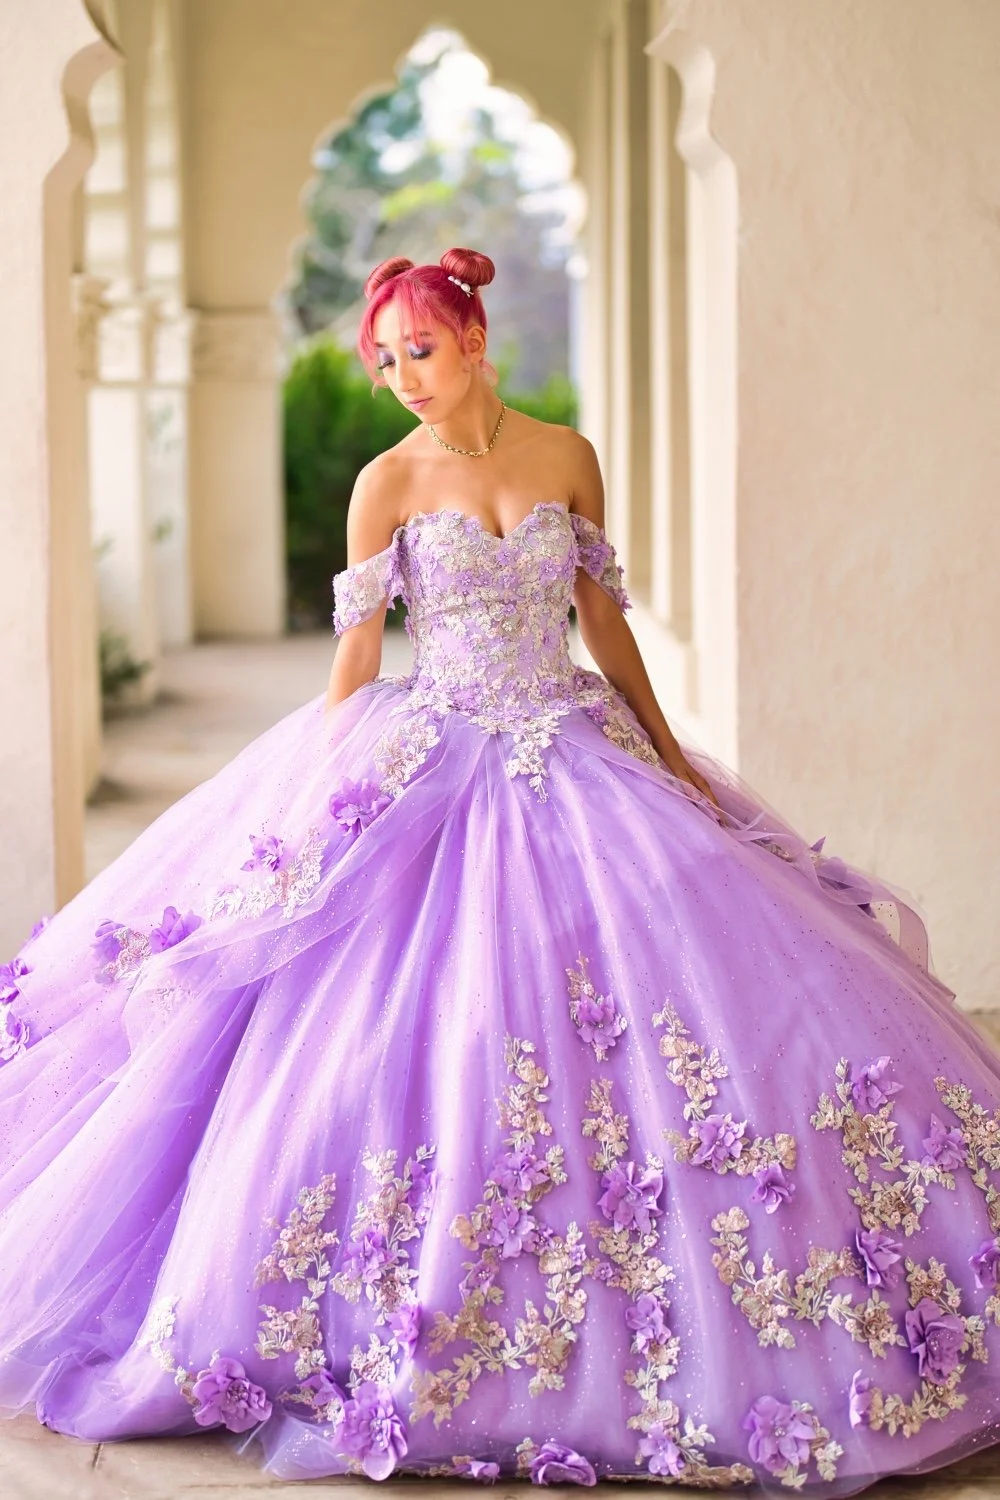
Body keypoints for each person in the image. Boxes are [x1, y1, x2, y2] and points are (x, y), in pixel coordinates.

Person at [0, 247, 998, 1497]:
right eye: (382, 359)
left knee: (696, 1001)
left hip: (577, 751)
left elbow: (603, 624)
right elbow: (356, 669)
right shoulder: (383, 485)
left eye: (418, 348)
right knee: (414, 1026)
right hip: (436, 758)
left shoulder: (565, 455)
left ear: (473, 336)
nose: (399, 376)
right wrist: (314, 804)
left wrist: (670, 760)